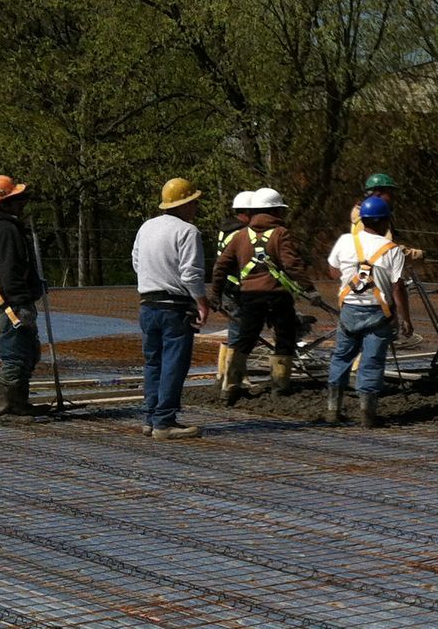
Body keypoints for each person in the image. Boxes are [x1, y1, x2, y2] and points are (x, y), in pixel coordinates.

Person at [210, 187, 312, 404]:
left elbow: (220, 266)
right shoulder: (280, 234)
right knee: (284, 338)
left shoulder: (240, 236)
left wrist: (215, 294)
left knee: (245, 339)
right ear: (275, 211)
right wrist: (309, 288)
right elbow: (292, 264)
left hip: (249, 296)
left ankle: (230, 386)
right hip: (277, 296)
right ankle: (279, 387)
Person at [131, 177, 211, 440]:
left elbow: (136, 262)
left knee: (153, 362)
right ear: (184, 203)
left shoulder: (147, 227)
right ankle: (164, 422)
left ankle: (150, 418)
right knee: (173, 364)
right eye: (194, 202)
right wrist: (201, 301)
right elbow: (191, 273)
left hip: (148, 305)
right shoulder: (188, 231)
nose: (196, 207)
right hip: (174, 309)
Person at [326, 194, 413, 427]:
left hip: (349, 311)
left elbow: (333, 271)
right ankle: (367, 414)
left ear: (362, 219)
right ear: (385, 221)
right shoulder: (393, 250)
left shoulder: (345, 241)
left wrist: (351, 275)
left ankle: (333, 410)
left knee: (341, 357)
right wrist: (405, 318)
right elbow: (398, 287)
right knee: (372, 361)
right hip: (378, 314)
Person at [0, 175, 48, 425]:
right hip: (12, 305)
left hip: (13, 302)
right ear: (3, 202)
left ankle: (18, 404)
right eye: (17, 198)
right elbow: (9, 270)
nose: (23, 202)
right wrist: (22, 300)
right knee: (15, 357)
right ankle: (4, 409)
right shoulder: (4, 230)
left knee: (27, 355)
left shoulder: (1, 227)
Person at [214, 190, 257, 395]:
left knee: (235, 331)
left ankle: (224, 374)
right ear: (247, 212)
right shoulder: (241, 233)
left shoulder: (226, 230)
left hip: (228, 288)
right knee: (239, 334)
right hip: (236, 290)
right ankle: (235, 378)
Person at [352, 172, 425, 262]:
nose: (393, 198)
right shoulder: (370, 219)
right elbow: (386, 251)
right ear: (377, 194)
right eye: (390, 194)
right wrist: (418, 254)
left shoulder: (367, 216)